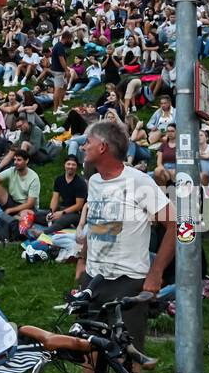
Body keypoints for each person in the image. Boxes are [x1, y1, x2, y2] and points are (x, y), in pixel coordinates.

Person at [73, 120, 173, 358]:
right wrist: (82, 260)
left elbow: (177, 225)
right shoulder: (95, 180)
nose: (83, 146)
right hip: (94, 280)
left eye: (88, 142)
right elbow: (96, 222)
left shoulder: (139, 181)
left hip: (127, 281)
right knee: (89, 352)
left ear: (103, 147)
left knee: (128, 355)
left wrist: (156, 272)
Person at [0, 150, 41, 226]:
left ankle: (11, 218)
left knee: (25, 216)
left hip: (26, 207)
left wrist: (10, 210)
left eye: (19, 160)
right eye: (14, 160)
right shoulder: (12, 170)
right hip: (12, 202)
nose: (15, 162)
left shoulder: (34, 178)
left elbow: (30, 203)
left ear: (26, 161)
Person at [43, 154, 87, 231]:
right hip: (62, 208)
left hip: (76, 213)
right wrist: (51, 212)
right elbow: (55, 198)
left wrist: (62, 213)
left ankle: (43, 233)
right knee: (40, 215)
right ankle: (64, 225)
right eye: (68, 164)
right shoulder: (59, 179)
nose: (70, 166)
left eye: (73, 165)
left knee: (61, 220)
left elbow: (79, 205)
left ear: (76, 167)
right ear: (64, 165)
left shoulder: (80, 182)